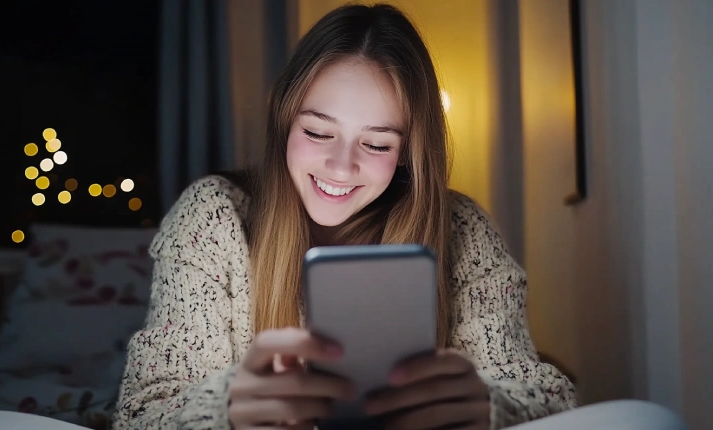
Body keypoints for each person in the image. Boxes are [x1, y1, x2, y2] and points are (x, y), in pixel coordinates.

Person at [105, 3, 681, 430]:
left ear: (409, 153)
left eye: (377, 144)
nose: (341, 164)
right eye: (317, 132)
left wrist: (489, 405)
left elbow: (547, 395)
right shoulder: (212, 217)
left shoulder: (461, 229)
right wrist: (225, 409)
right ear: (284, 121)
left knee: (646, 419)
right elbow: (139, 411)